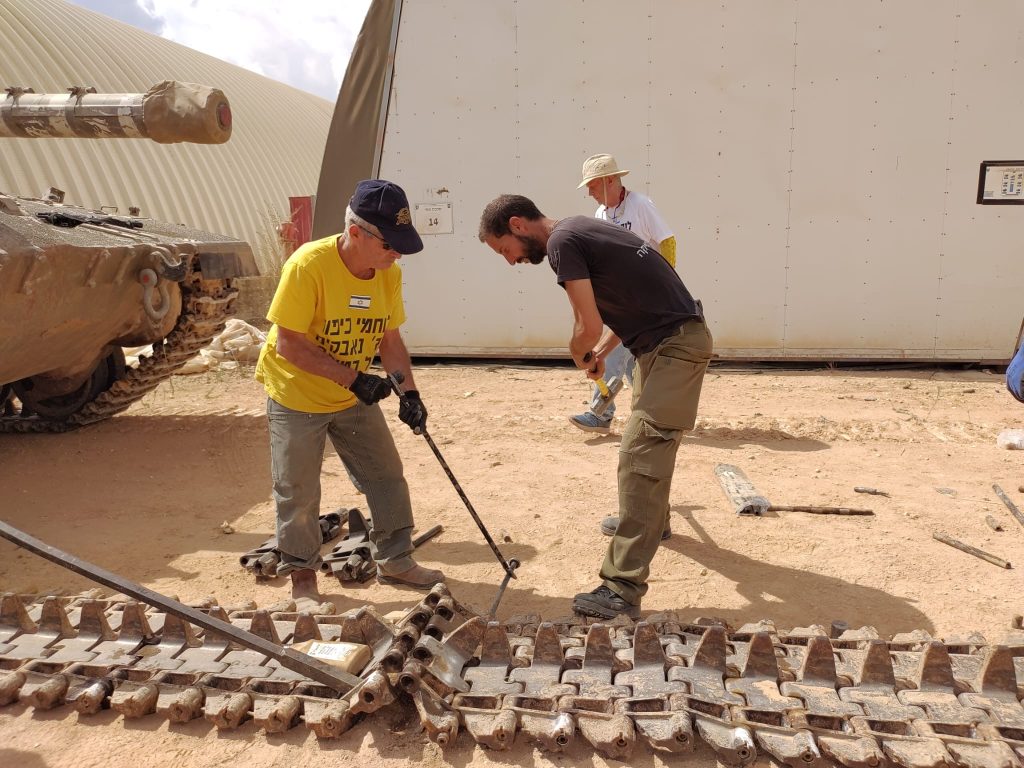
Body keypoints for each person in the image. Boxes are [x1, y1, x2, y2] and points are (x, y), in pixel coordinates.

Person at [478, 194, 712, 619]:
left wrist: (579, 349)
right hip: (659, 346)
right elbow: (629, 303)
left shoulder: (561, 244)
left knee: (642, 450)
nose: (509, 261)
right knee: (648, 446)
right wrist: (602, 352)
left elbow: (587, 323)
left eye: (503, 251)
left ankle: (620, 589)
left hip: (675, 346)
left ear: (517, 225)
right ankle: (652, 524)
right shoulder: (579, 229)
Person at [255, 179, 443, 599]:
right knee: (298, 487)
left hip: (350, 393)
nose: (396, 253)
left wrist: (410, 394)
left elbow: (389, 340)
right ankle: (303, 575)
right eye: (389, 244)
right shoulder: (308, 266)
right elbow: (288, 344)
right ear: (355, 232)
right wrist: (355, 378)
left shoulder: (387, 274)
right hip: (297, 393)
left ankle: (395, 560)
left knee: (385, 474)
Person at [569, 153, 677, 434]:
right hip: (621, 298)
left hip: (644, 295)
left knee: (615, 353)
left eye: (592, 186)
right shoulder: (601, 215)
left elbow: (668, 241)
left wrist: (664, 283)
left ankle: (600, 414)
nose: (590, 193)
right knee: (635, 361)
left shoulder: (640, 205)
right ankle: (656, 412)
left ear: (609, 181)